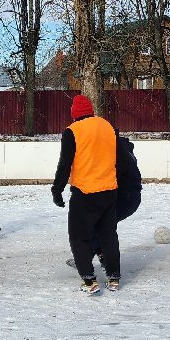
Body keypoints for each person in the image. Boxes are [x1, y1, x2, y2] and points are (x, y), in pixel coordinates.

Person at [51, 94, 120, 294]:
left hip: (85, 192)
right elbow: (119, 157)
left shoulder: (72, 131)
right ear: (90, 111)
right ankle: (114, 278)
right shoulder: (108, 126)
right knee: (108, 235)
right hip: (109, 190)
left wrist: (57, 189)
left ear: (74, 114)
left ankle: (89, 281)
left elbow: (64, 164)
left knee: (79, 236)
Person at [66, 133, 141, 273]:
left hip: (125, 197)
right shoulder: (122, 149)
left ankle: (94, 258)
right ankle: (100, 257)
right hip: (130, 197)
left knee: (95, 224)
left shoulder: (117, 152)